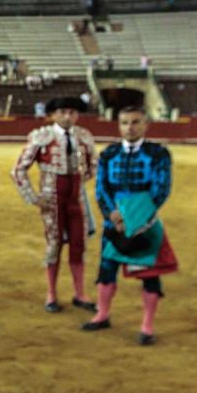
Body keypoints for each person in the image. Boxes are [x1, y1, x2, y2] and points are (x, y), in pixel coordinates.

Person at [82, 106, 175, 345]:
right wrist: (112, 214)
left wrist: (135, 219)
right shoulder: (108, 154)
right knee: (106, 269)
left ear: (145, 125)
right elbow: (102, 188)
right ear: (119, 125)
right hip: (113, 222)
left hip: (145, 222)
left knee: (149, 275)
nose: (130, 127)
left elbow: (161, 189)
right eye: (125, 122)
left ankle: (147, 326)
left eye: (135, 122)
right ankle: (102, 314)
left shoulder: (158, 154)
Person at [12, 97, 98, 312]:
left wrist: (79, 182)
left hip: (76, 199)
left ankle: (80, 294)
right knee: (54, 245)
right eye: (63, 112)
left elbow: (94, 167)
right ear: (53, 114)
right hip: (52, 200)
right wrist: (33, 197)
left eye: (72, 112)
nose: (68, 116)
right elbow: (18, 170)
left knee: (79, 244)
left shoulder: (84, 136)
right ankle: (51, 294)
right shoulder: (42, 137)